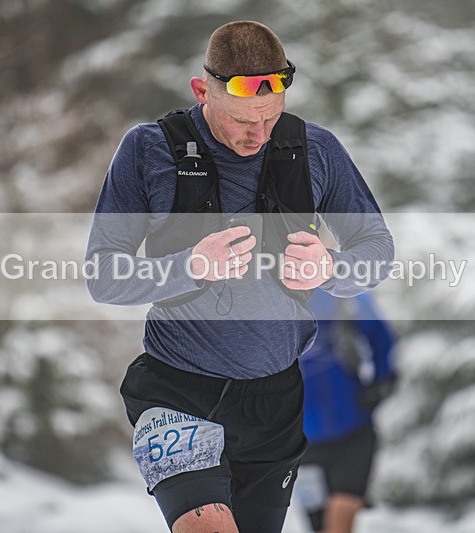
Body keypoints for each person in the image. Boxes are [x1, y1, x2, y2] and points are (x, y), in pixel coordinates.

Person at [85, 20, 394, 533]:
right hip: (177, 392)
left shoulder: (317, 150)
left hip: (275, 405)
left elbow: (378, 251)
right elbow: (102, 274)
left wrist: (333, 267)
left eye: (271, 118)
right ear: (202, 90)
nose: (258, 135)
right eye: (242, 120)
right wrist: (189, 266)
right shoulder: (147, 150)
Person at [295, 289, 396, 533]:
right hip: (300, 443)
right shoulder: (268, 297)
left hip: (351, 432)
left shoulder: (345, 292)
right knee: (320, 526)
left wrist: (381, 381)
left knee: (340, 520)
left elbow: (382, 338)